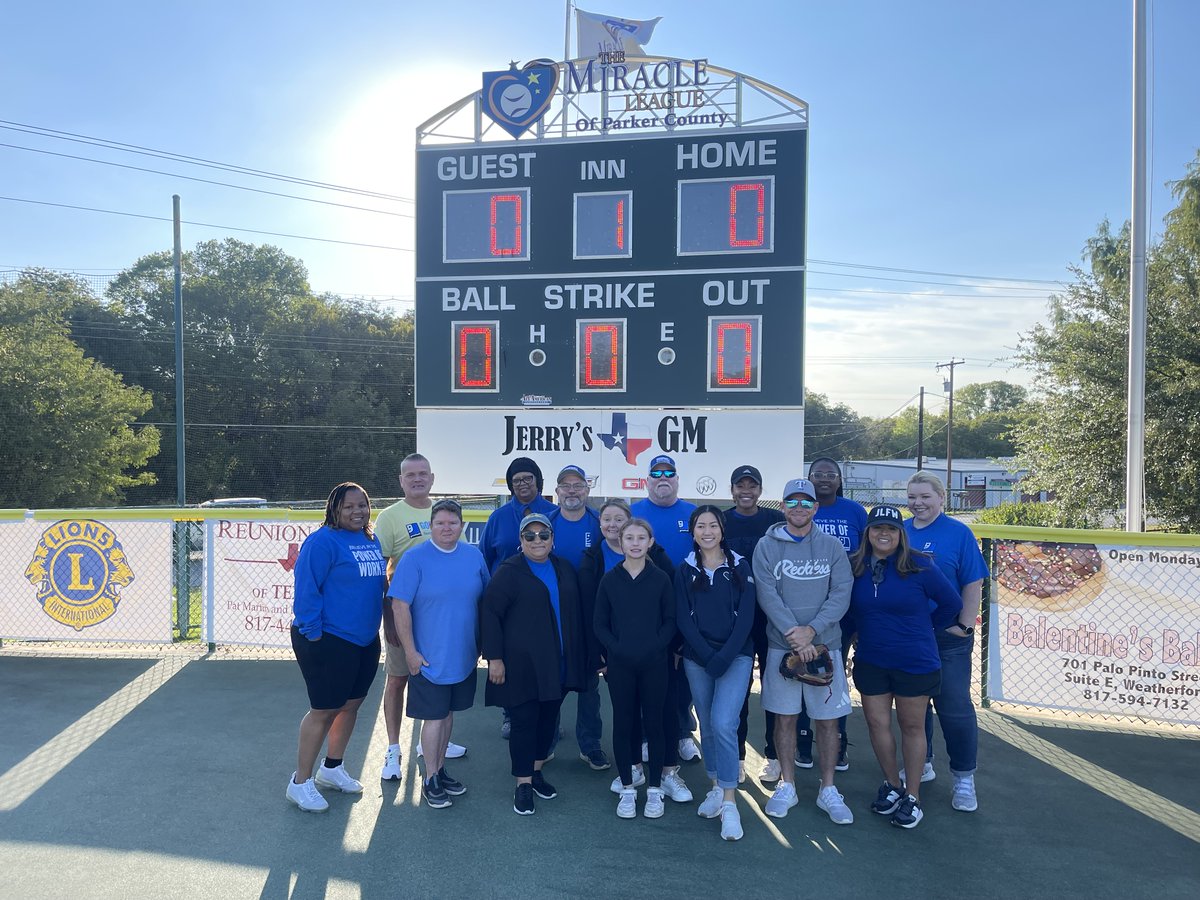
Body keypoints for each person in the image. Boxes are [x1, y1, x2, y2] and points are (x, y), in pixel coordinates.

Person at [849, 505, 962, 829]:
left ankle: (913, 796)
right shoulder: (855, 567)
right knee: (876, 724)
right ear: (867, 534)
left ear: (901, 534)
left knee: (912, 727)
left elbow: (951, 605)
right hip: (872, 659)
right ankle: (893, 785)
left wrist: (925, 629)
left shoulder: (920, 565)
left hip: (915, 661)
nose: (883, 534)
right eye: (876, 528)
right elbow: (847, 610)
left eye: (891, 529)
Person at [752, 478, 855, 825]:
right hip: (784, 649)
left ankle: (828, 789)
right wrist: (796, 637)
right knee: (785, 719)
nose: (798, 507)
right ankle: (787, 784)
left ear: (815, 507)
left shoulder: (831, 546)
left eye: (805, 502)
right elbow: (767, 595)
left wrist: (812, 631)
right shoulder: (766, 546)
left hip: (827, 646)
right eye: (791, 501)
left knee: (827, 722)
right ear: (782, 507)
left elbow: (841, 592)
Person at [480, 513, 596, 815]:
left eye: (543, 535)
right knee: (523, 723)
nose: (537, 541)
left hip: (556, 664)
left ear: (552, 539)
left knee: (548, 723)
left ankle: (536, 771)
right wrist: (494, 658)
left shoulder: (564, 569)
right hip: (521, 666)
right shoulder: (509, 572)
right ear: (520, 541)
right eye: (529, 536)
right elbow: (490, 614)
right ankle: (523, 784)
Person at [286, 482, 387, 813]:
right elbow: (307, 590)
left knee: (351, 705)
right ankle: (300, 783)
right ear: (334, 509)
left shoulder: (371, 540)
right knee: (324, 709)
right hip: (327, 638)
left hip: (364, 640)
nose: (358, 511)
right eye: (349, 506)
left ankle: (332, 768)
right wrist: (314, 634)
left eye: (363, 505)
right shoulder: (322, 542)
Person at [387, 499, 489, 809]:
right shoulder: (415, 559)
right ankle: (430, 777)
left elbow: (486, 599)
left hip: (463, 658)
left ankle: (440, 769)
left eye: (453, 523)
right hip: (428, 659)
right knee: (433, 719)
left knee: (446, 717)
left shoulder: (474, 556)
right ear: (431, 526)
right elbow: (399, 606)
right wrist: (411, 653)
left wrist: (482, 646)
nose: (447, 528)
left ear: (462, 526)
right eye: (440, 523)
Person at [374, 453, 466, 782]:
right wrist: (388, 619)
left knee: (444, 678)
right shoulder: (389, 517)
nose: (416, 479)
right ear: (401, 480)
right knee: (398, 679)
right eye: (410, 474)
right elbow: (380, 573)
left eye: (422, 473)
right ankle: (393, 747)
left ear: (432, 478)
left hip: (441, 620)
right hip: (405, 616)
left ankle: (435, 738)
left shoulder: (445, 514)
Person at [903, 471, 988, 812]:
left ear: (941, 498)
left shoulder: (958, 533)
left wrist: (965, 626)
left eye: (925, 496)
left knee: (953, 708)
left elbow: (973, 583)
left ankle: (963, 777)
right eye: (912, 497)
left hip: (948, 637)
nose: (918, 503)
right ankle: (922, 763)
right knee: (913, 705)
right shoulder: (901, 532)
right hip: (909, 637)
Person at [676, 506, 757, 841]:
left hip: (735, 657)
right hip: (699, 659)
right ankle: (714, 785)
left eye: (712, 525)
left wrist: (723, 656)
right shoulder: (685, 568)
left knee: (725, 723)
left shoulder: (740, 565)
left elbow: (747, 615)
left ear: (722, 530)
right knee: (707, 725)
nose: (706, 531)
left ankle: (729, 802)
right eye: (700, 526)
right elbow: (682, 617)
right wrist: (708, 655)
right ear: (693, 532)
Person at [593, 519, 676, 819]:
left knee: (654, 724)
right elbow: (599, 624)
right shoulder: (610, 580)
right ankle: (628, 788)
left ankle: (655, 790)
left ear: (650, 542)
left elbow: (670, 621)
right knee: (624, 724)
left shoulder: (661, 579)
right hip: (621, 666)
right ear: (621, 541)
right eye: (629, 537)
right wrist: (617, 648)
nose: (635, 543)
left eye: (642, 537)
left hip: (655, 665)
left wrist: (656, 646)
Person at [797, 457, 868, 771]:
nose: (824, 479)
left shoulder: (854, 511)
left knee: (833, 677)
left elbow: (868, 553)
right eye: (817, 474)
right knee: (799, 673)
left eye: (831, 474)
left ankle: (837, 745)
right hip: (805, 608)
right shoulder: (800, 510)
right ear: (809, 479)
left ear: (840, 480)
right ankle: (802, 743)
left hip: (844, 608)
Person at [631, 454, 701, 763]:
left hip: (686, 606)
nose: (663, 477)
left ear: (676, 479)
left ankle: (683, 732)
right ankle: (646, 735)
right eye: (656, 473)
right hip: (645, 609)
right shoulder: (633, 513)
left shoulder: (692, 513)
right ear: (647, 479)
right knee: (647, 674)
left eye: (668, 473)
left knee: (681, 674)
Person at [480, 457, 556, 739]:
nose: (523, 484)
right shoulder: (498, 517)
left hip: (544, 602)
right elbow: (486, 556)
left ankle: (549, 717)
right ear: (510, 485)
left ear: (538, 481)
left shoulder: (554, 513)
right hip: (508, 604)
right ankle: (511, 714)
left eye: (528, 479)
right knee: (512, 659)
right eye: (517, 480)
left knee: (544, 659)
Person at [723, 464, 785, 785]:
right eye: (740, 485)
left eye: (752, 485)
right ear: (732, 489)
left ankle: (773, 757)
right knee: (738, 691)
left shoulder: (774, 521)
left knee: (774, 689)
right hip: (736, 619)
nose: (746, 491)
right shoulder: (722, 521)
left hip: (772, 617)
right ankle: (736, 756)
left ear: (760, 490)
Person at [547, 465, 608, 771]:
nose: (572, 490)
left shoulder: (599, 523)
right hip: (553, 616)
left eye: (578, 485)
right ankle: (545, 744)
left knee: (588, 685)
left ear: (587, 490)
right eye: (565, 485)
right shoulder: (547, 522)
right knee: (551, 682)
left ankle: (590, 745)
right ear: (557, 491)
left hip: (588, 617)